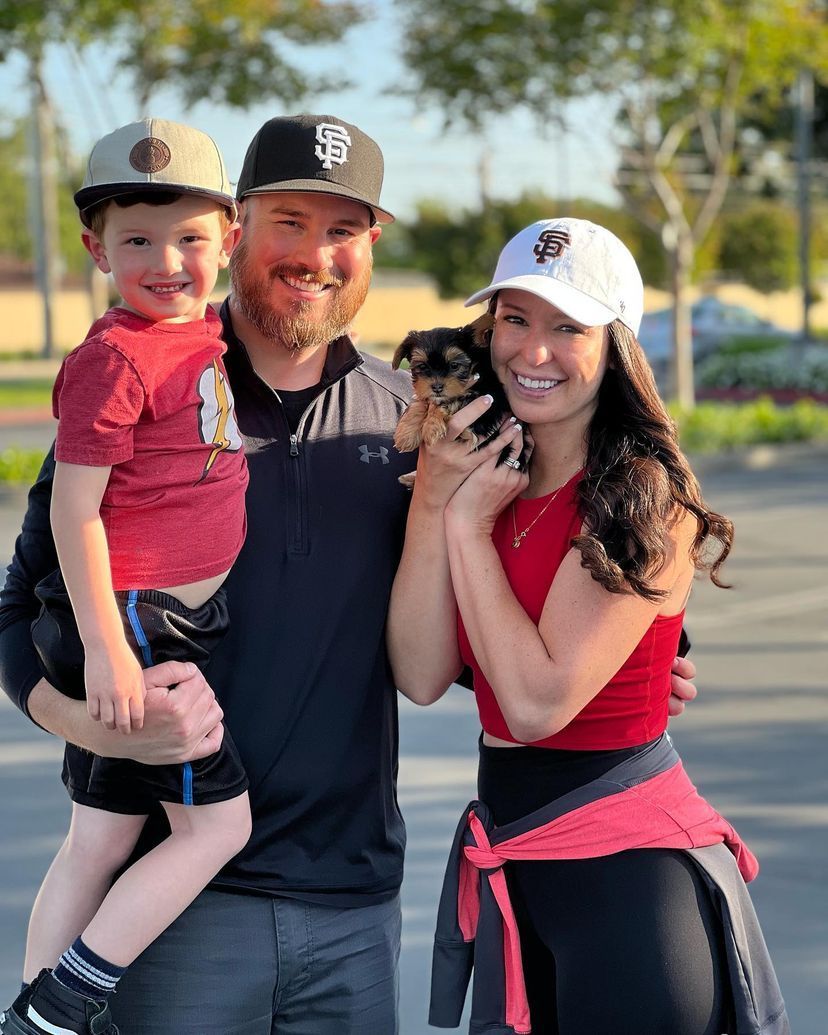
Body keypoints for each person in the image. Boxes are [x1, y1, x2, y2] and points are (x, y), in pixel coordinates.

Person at [0, 120, 697, 1034]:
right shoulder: (144, 388)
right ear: (240, 227)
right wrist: (94, 723)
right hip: (176, 906)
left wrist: (649, 646)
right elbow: (19, 609)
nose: (315, 255)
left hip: (356, 910)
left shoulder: (410, 425)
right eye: (290, 220)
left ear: (372, 245)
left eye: (344, 230)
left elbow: (509, 595)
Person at [388, 219, 788, 1034]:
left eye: (568, 326)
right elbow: (421, 674)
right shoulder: (479, 476)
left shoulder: (645, 500)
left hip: (629, 882)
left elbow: (536, 705)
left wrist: (464, 530)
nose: (533, 351)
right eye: (515, 319)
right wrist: (435, 503)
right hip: (518, 861)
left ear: (615, 347)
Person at [1, 118, 251, 1035]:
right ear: (94, 248)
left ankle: (28, 1016)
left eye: (190, 237)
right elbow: (74, 511)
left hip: (152, 621)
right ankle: (70, 999)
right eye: (136, 239)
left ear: (228, 240)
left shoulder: (202, 333)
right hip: (140, 625)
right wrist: (108, 652)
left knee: (99, 837)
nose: (166, 260)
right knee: (217, 827)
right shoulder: (114, 358)